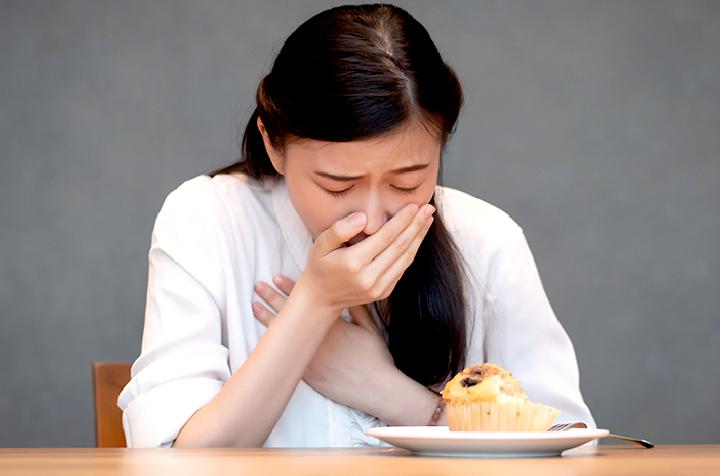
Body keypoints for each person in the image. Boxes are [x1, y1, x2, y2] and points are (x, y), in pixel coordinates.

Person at [117, 3, 596, 448]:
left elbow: (568, 446)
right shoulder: (207, 219)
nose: (370, 219)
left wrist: (386, 392)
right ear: (273, 144)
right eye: (337, 185)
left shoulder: (486, 239)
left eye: (408, 181)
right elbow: (168, 461)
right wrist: (314, 305)